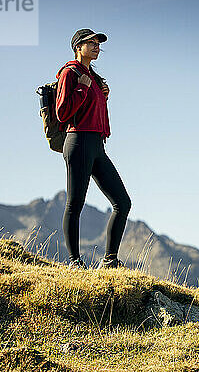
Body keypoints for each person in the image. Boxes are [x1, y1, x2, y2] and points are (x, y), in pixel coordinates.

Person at [55, 28, 131, 270]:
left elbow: (93, 112)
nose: (97, 46)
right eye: (92, 43)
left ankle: (110, 261)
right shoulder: (70, 73)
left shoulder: (93, 77)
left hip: (97, 145)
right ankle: (74, 262)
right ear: (78, 47)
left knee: (123, 202)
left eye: (98, 43)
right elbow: (62, 113)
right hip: (78, 142)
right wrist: (82, 88)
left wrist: (101, 94)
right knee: (75, 203)